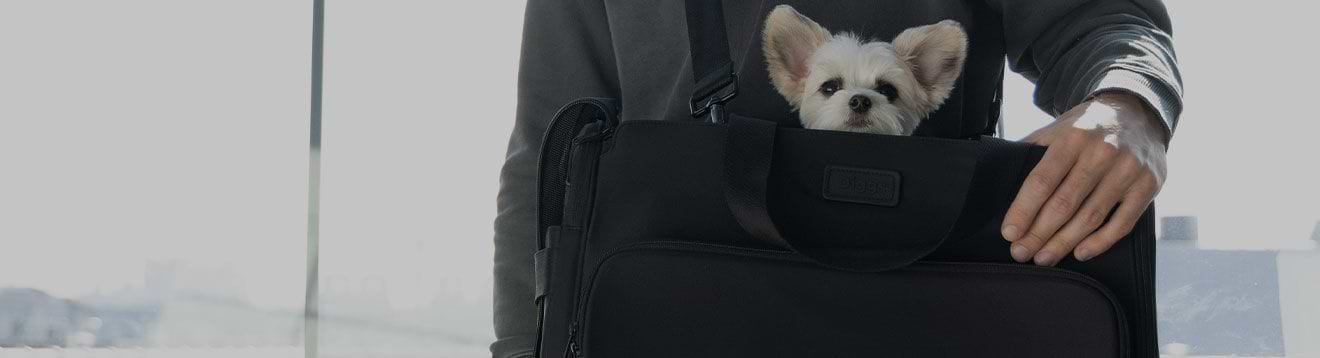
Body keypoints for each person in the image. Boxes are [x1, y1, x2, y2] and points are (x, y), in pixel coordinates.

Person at [492, 0, 1182, 357]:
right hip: (663, 308)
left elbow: (1099, 18)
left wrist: (1129, 100)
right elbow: (549, 149)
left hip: (930, 304)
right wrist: (524, 345)